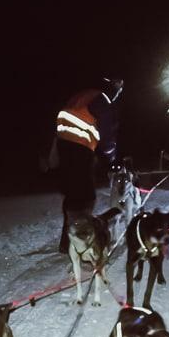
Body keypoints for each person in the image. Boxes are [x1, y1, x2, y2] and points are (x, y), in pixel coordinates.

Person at [52, 77, 123, 253]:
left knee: (72, 193)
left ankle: (66, 241)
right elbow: (106, 134)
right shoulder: (103, 100)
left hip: (64, 143)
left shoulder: (86, 94)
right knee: (86, 195)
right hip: (79, 146)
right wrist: (112, 158)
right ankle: (82, 239)